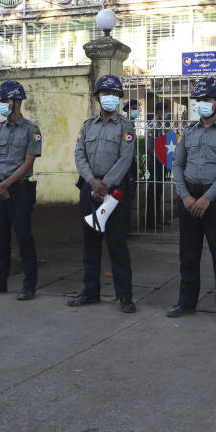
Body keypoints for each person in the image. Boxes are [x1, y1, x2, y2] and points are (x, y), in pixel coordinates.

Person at [169, 77, 216, 324]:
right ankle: (186, 303)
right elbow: (177, 164)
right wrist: (186, 196)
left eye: (207, 99)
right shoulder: (188, 133)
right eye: (199, 100)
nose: (202, 104)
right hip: (189, 197)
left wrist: (207, 198)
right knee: (188, 255)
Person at [69, 75, 138, 313]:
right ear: (97, 96)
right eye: (105, 94)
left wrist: (105, 184)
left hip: (115, 191)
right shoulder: (88, 125)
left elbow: (125, 158)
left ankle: (125, 297)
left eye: (115, 94)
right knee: (90, 243)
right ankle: (90, 291)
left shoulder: (126, 126)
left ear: (119, 98)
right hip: (90, 188)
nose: (110, 98)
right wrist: (92, 182)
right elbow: (79, 155)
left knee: (117, 244)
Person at [0, 81, 41, 300]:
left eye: (5, 101)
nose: (2, 105)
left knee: (24, 238)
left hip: (20, 191)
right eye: (1, 102)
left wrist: (6, 185)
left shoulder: (31, 130)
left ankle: (29, 285)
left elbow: (28, 163)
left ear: (16, 103)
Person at [145, 101, 168, 229]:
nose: (166, 113)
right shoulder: (152, 126)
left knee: (158, 191)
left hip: (160, 162)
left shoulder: (160, 125)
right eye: (165, 111)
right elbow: (149, 147)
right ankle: (150, 221)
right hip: (154, 162)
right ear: (159, 111)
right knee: (153, 191)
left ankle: (158, 219)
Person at [123, 98, 141, 236]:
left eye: (137, 108)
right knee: (127, 195)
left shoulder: (132, 124)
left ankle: (127, 227)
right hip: (127, 164)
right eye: (134, 108)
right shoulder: (126, 124)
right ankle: (126, 228)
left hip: (132, 162)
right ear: (127, 110)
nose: (137, 111)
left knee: (131, 194)